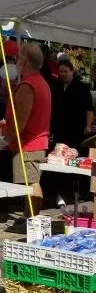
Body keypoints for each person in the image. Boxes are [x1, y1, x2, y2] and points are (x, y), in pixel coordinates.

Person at [3, 42, 52, 215]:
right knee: (31, 184)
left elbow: (20, 121)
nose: (16, 61)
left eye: (18, 58)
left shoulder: (28, 85)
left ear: (24, 61)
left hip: (28, 145)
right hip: (33, 143)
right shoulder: (40, 83)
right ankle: (30, 219)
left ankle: (32, 221)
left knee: (31, 185)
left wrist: (6, 139)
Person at [51, 57, 95, 150]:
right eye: (61, 71)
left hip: (76, 128)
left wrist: (88, 125)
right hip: (58, 128)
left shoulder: (82, 88)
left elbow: (89, 108)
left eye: (65, 71)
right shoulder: (55, 85)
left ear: (72, 71)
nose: (63, 74)